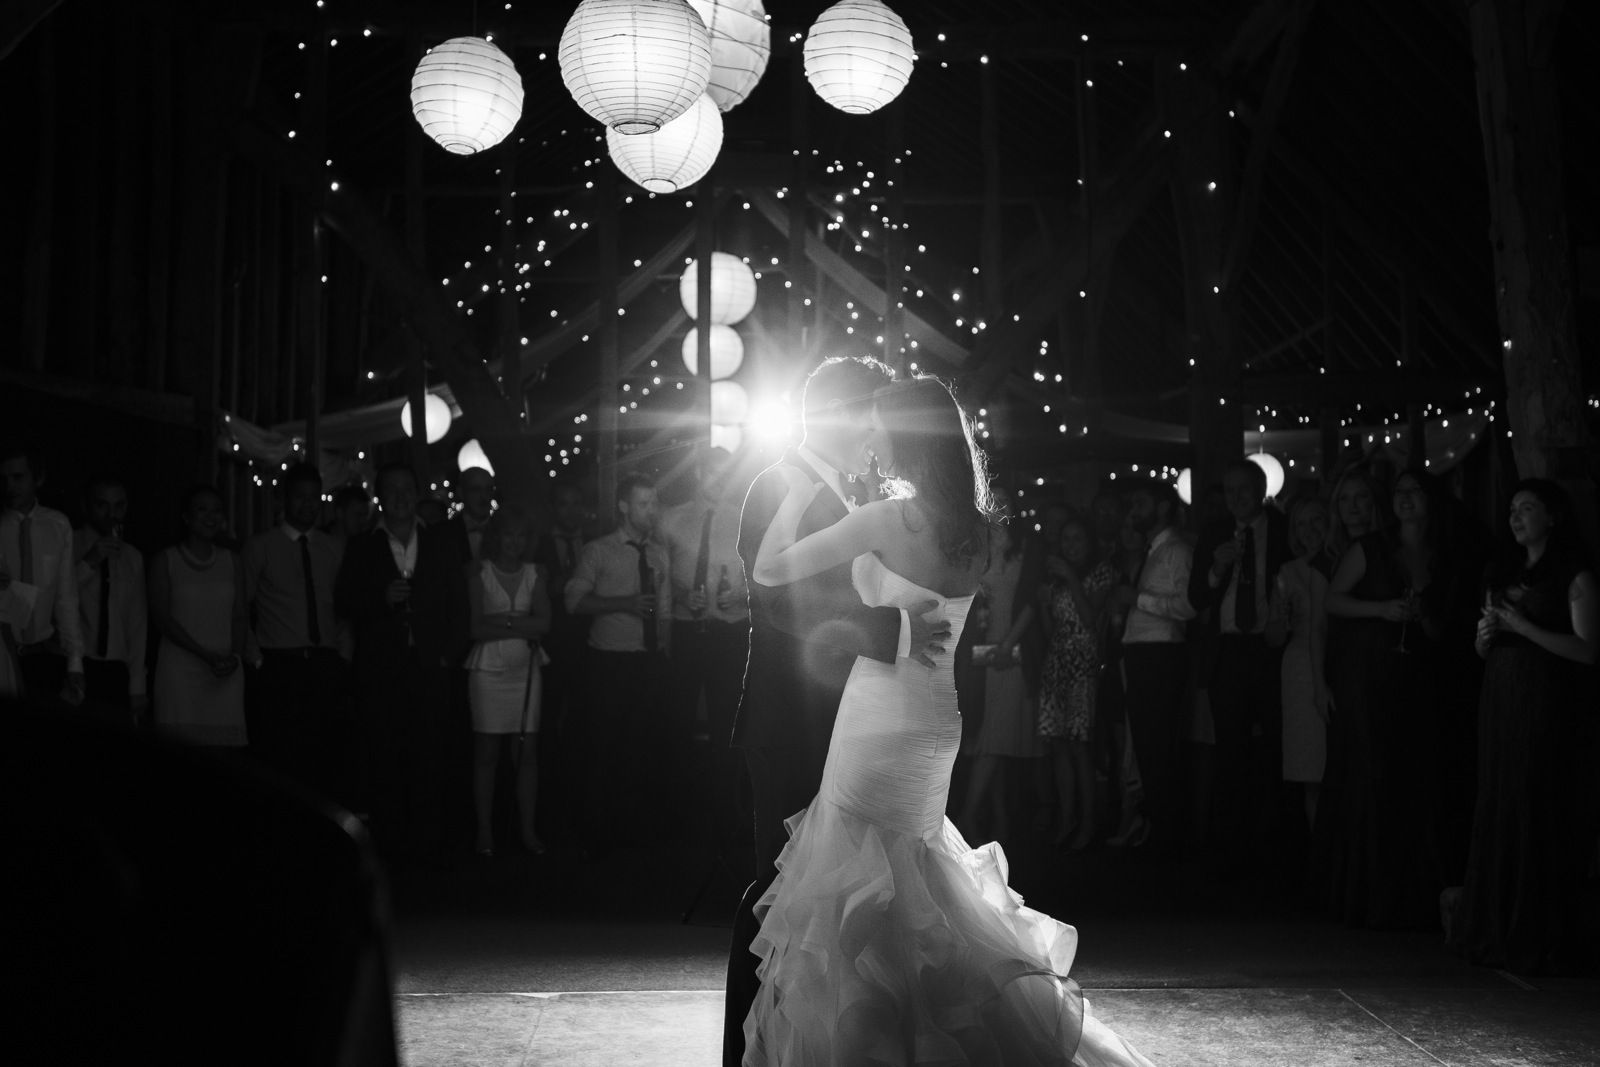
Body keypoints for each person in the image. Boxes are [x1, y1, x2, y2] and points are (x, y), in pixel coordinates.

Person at [741, 374, 1155, 1066]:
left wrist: (789, 500)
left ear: (902, 436)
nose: (870, 435)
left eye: (879, 424)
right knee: (917, 876)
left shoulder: (887, 519)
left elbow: (768, 568)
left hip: (877, 717)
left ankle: (870, 1043)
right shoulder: (979, 528)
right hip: (939, 721)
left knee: (859, 887)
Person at [721, 355, 948, 1067]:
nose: (880, 428)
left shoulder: (853, 494)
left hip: (849, 722)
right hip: (792, 718)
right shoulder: (778, 481)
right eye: (874, 413)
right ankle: (746, 1052)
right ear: (842, 416)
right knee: (779, 889)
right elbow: (778, 600)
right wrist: (894, 632)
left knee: (834, 894)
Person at [1450, 479, 1597, 972]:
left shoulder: (1574, 576)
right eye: (1511, 509)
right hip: (1501, 695)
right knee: (1500, 799)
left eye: (1527, 508)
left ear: (1552, 516)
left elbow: (1587, 649)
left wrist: (1524, 628)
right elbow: (1484, 648)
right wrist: (1485, 636)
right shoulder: (1502, 570)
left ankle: (1542, 931)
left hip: (1547, 699)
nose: (1516, 517)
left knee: (1537, 801)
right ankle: (1496, 923)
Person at [1322, 467, 1440, 928]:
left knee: (1406, 774)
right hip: (1365, 672)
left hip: (1408, 673)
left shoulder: (1433, 552)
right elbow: (1332, 603)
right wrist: (1383, 610)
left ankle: (1406, 887)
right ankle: (1363, 889)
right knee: (1367, 773)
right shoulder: (1369, 549)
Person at [335, 462, 465, 865]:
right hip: (382, 669)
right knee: (385, 756)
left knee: (430, 755)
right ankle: (390, 848)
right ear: (380, 497)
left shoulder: (440, 542)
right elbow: (344, 602)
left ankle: (428, 845)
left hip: (429, 666)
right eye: (392, 490)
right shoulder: (363, 545)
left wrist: (448, 655)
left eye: (407, 488)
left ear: (417, 493)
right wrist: (381, 599)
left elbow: (459, 604)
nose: (401, 496)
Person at [1189, 459, 1291, 875]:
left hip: (1272, 649)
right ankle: (1232, 849)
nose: (1235, 499)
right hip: (1228, 651)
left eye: (1243, 490)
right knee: (1229, 748)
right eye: (1229, 491)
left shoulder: (1283, 528)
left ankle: (1276, 840)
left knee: (1274, 744)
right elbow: (1197, 596)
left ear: (1261, 489)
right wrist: (1216, 568)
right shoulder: (1215, 532)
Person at [563, 472, 672, 856]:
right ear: (624, 506)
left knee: (641, 747)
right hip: (608, 662)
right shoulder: (599, 550)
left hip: (647, 662)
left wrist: (665, 653)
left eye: (655, 503)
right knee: (605, 747)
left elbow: (664, 612)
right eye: (644, 503)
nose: (652, 510)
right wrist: (623, 603)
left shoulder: (658, 553)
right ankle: (599, 832)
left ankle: (635, 830)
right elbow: (573, 602)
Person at [243, 462, 348, 796]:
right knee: (280, 755)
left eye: (315, 497)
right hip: (279, 661)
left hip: (323, 661)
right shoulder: (260, 546)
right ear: (285, 500)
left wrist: (341, 656)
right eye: (301, 497)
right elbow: (240, 608)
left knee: (323, 754)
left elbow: (342, 606)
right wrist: (255, 658)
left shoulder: (332, 548)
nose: (309, 504)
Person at [956, 488, 1046, 848]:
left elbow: (1031, 602)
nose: (999, 507)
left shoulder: (1026, 548)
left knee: (995, 741)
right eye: (993, 501)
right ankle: (997, 823)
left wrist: (1010, 644)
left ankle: (968, 817)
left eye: (1005, 502)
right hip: (980, 654)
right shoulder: (976, 547)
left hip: (1012, 653)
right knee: (988, 741)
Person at [463, 503, 551, 858]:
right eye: (508, 534)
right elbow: (475, 627)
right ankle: (485, 830)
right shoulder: (477, 572)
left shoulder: (536, 573)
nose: (513, 542)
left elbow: (545, 624)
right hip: (487, 672)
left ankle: (527, 830)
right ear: (496, 536)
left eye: (520, 535)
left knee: (526, 754)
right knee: (486, 753)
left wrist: (501, 623)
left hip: (527, 669)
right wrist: (519, 622)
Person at [1117, 477, 1194, 852]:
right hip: (1144, 654)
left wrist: (1137, 599)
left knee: (1159, 747)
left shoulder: (1176, 551)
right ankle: (1161, 832)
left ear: (1163, 507)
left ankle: (1169, 836)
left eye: (1141, 503)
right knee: (1149, 747)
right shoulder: (1154, 551)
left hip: (1161, 655)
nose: (1134, 511)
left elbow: (1187, 607)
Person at [1037, 513, 1117, 850]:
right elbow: (1048, 631)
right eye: (1066, 540)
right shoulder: (1053, 581)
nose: (1071, 546)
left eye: (1077, 539)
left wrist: (1070, 577)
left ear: (1089, 542)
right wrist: (1043, 605)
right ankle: (1067, 819)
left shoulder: (1102, 572)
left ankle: (1088, 822)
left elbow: (1088, 619)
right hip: (1056, 663)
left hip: (1084, 663)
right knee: (1058, 746)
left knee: (1080, 746)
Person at [149, 485, 248, 749]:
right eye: (202, 509)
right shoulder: (165, 560)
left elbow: (239, 615)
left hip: (225, 671)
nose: (210, 516)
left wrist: (234, 657)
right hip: (180, 671)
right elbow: (162, 618)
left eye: (217, 510)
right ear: (186, 516)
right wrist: (204, 654)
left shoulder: (232, 560)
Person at [1265, 495, 1332, 838]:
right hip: (1299, 667)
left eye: (1316, 520)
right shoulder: (1288, 572)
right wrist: (1280, 616)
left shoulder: (1343, 561)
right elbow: (1274, 638)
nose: (1309, 531)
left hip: (1339, 661)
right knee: (1310, 769)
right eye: (1301, 524)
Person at [0, 443, 86, 709]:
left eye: (18, 477)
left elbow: (66, 597)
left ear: (38, 478)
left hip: (44, 652)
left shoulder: (57, 525)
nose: (9, 486)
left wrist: (75, 662)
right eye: (3, 479)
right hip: (3, 654)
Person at [74, 474, 149, 724]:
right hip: (75, 664)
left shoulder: (132, 557)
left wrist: (137, 685)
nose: (111, 513)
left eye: (119, 505)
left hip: (116, 667)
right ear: (87, 506)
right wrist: (88, 563)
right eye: (102, 505)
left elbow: (137, 625)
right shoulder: (69, 543)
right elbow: (54, 601)